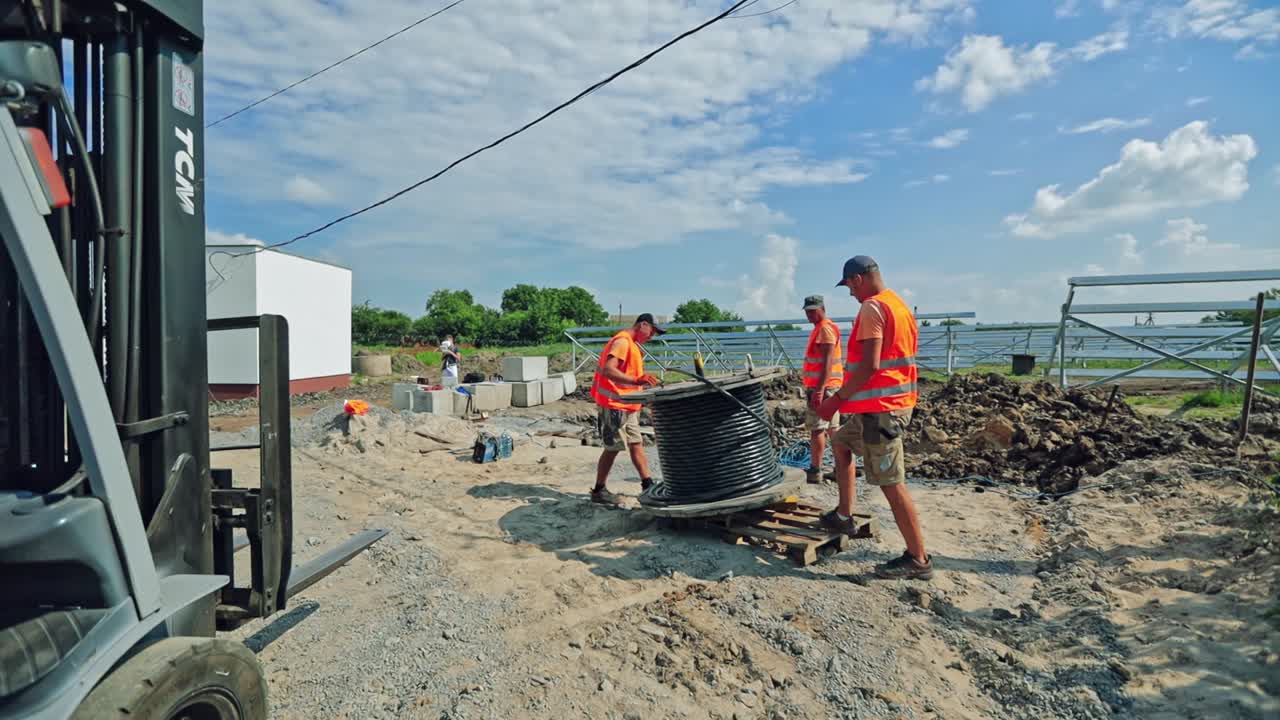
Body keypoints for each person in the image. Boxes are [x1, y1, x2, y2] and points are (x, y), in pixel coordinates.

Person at [817, 256, 932, 580]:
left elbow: (869, 365)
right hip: (883, 407)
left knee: (892, 485)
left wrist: (834, 402)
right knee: (840, 443)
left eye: (849, 287)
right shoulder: (899, 305)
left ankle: (918, 559)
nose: (850, 295)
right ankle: (844, 515)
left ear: (856, 279)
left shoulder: (872, 308)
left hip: (882, 412)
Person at [589, 313, 665, 505]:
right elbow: (609, 369)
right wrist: (636, 381)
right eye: (652, 331)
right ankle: (599, 490)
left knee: (636, 443)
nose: (652, 336)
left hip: (628, 405)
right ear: (643, 325)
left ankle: (647, 484)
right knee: (613, 448)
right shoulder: (622, 342)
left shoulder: (631, 344)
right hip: (614, 405)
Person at [800, 295, 844, 485]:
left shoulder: (825, 329)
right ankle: (841, 467)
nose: (809, 314)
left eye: (812, 310)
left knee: (818, 429)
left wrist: (819, 390)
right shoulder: (823, 328)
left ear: (822, 308)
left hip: (824, 387)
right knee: (833, 429)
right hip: (830, 386)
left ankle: (815, 469)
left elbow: (826, 364)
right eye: (807, 311)